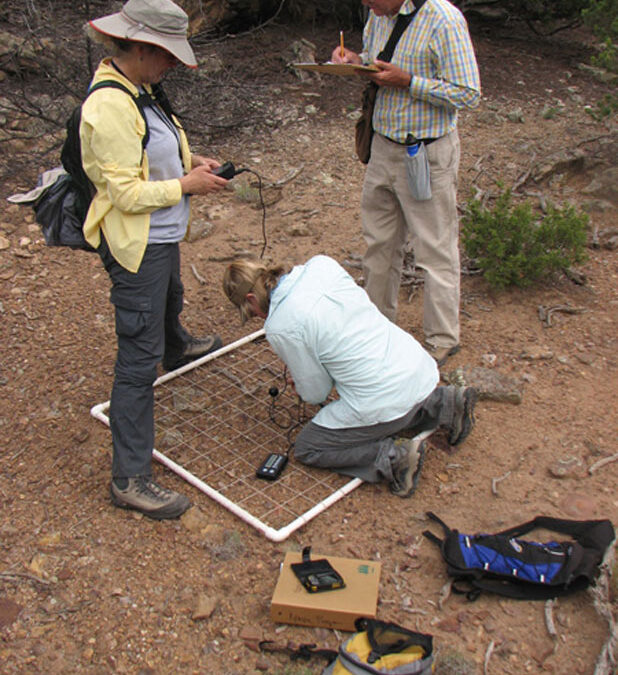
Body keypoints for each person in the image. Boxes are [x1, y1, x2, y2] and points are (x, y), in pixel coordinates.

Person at [82, 0, 228, 519]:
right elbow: (123, 193)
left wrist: (190, 162)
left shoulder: (139, 88)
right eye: (166, 56)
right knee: (136, 361)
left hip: (160, 237)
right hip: (136, 244)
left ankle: (179, 346)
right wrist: (186, 185)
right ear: (141, 48)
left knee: (172, 297)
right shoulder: (109, 106)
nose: (171, 66)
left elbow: (151, 152)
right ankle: (129, 478)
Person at [223, 255, 477, 497]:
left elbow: (316, 394)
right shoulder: (321, 265)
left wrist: (303, 382)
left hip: (385, 398)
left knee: (309, 448)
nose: (259, 317)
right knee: (393, 392)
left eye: (252, 312)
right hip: (417, 367)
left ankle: (395, 458)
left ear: (251, 299)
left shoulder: (280, 326)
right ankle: (444, 402)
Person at [331, 0, 481, 366]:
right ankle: (376, 330)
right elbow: (375, 59)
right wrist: (355, 62)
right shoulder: (378, 16)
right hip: (383, 146)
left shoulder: (443, 19)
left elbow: (468, 93)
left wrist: (409, 82)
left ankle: (442, 340)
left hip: (426, 153)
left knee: (435, 250)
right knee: (378, 245)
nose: (366, 4)